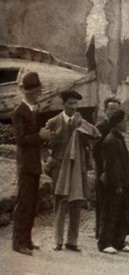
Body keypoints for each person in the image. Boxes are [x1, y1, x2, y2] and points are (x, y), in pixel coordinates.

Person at [45, 89, 100, 252]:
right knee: (60, 202)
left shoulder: (81, 121)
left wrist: (83, 129)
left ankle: (72, 241)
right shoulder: (53, 122)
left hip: (77, 167)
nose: (73, 107)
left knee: (76, 202)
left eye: (76, 104)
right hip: (60, 167)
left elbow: (96, 135)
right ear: (63, 104)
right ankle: (58, 240)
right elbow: (43, 145)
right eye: (70, 104)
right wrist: (49, 160)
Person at [11, 72, 51, 256]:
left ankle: (27, 239)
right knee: (24, 204)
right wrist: (39, 136)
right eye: (36, 91)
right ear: (29, 93)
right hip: (26, 164)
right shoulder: (19, 112)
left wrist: (44, 138)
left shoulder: (34, 110)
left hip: (34, 163)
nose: (38, 94)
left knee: (32, 204)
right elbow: (21, 139)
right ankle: (18, 242)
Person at [97, 110, 129, 254]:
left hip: (122, 181)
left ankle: (119, 241)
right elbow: (110, 166)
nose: (127, 123)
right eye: (125, 121)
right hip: (113, 183)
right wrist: (117, 184)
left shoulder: (119, 138)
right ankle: (105, 242)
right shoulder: (111, 140)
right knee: (110, 213)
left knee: (121, 213)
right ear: (118, 123)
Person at [92, 96, 122, 239]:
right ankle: (100, 231)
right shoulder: (101, 126)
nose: (113, 112)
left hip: (112, 167)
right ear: (105, 110)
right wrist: (102, 169)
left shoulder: (117, 126)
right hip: (102, 168)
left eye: (116, 109)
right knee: (102, 200)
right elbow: (96, 150)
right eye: (111, 109)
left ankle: (110, 231)